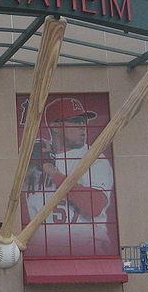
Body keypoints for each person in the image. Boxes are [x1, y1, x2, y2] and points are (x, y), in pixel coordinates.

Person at [22, 97, 116, 255]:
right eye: (75, 121)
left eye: (83, 121)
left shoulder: (92, 157)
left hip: (88, 251)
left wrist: (51, 171)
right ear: (56, 126)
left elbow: (94, 206)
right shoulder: (36, 156)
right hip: (41, 253)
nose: (82, 126)